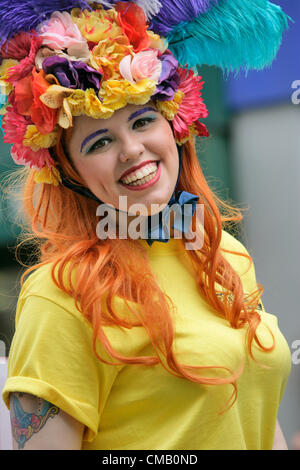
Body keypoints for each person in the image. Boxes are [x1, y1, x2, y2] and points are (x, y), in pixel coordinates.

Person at [0, 0, 292, 450]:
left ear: (175, 126)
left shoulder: (224, 254)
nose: (132, 150)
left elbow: (252, 416)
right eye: (100, 141)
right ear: (69, 171)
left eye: (142, 120)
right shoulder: (61, 295)